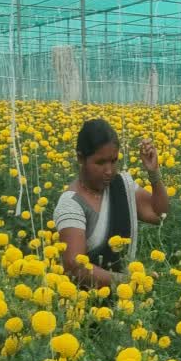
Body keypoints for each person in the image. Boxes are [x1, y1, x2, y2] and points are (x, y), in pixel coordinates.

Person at [52, 118, 170, 288]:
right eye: (100, 162)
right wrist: (129, 282)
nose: (109, 171)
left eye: (113, 161)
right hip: (88, 308)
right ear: (80, 158)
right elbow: (75, 268)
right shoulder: (71, 205)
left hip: (126, 304)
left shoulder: (122, 185)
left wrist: (153, 172)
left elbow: (159, 215)